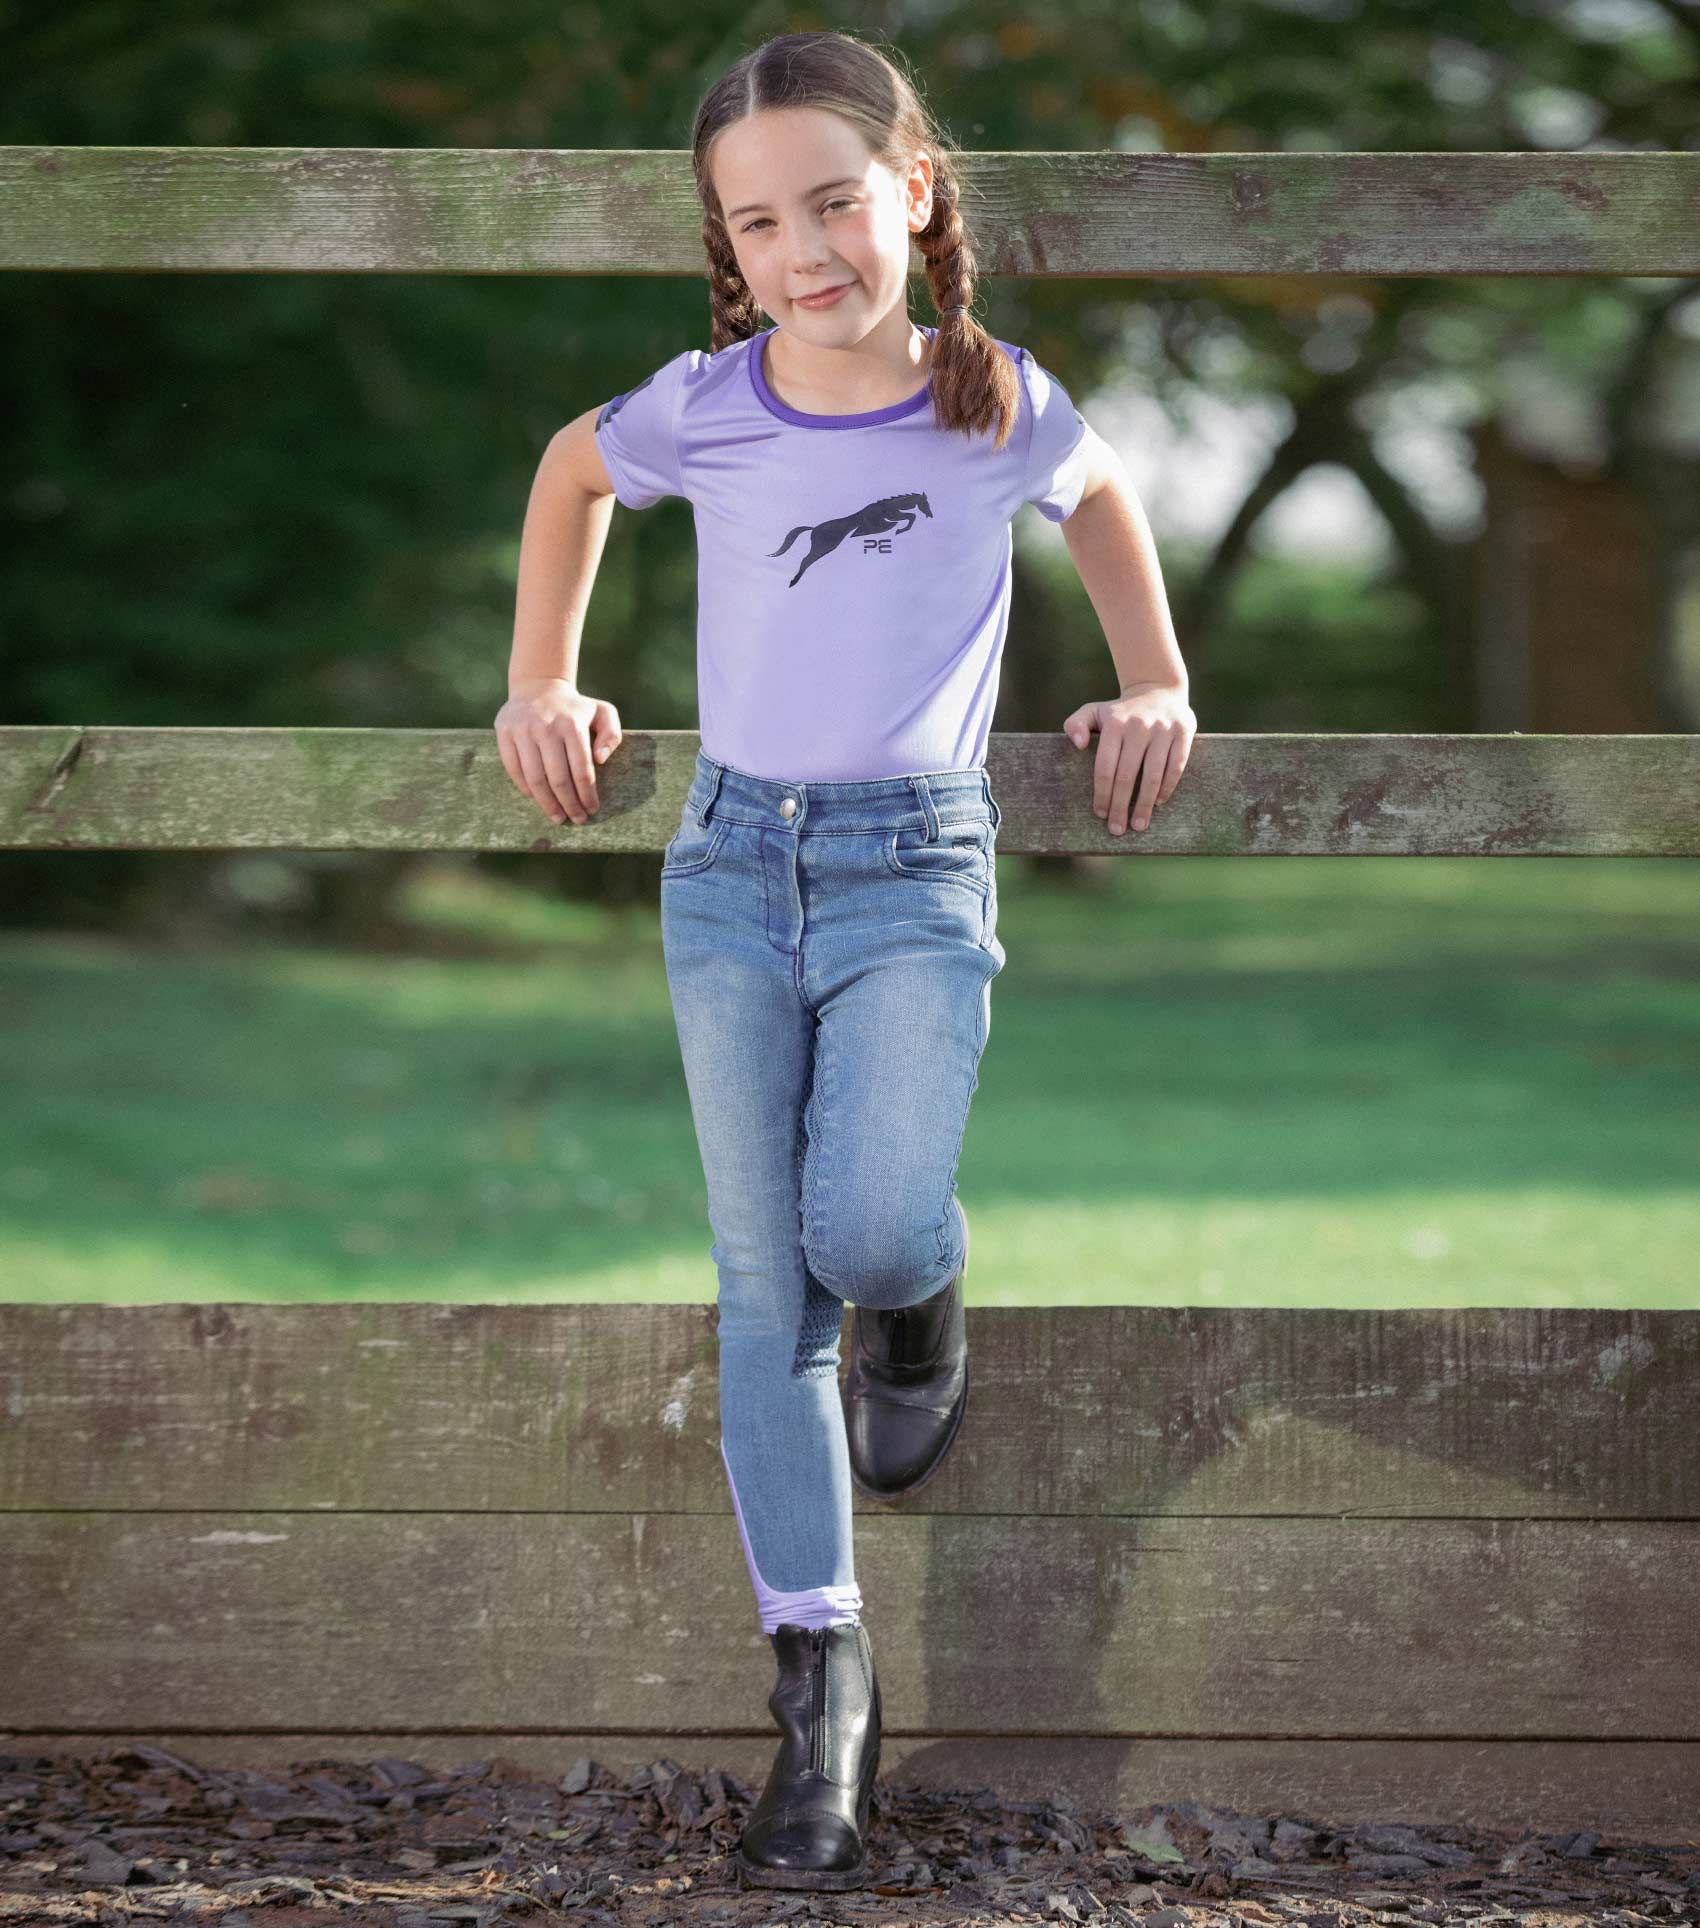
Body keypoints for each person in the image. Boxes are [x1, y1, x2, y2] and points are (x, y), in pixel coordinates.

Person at [495, 28, 1197, 1895]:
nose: (808, 250)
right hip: (730, 863)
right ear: (727, 248)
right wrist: (540, 679)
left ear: (917, 196)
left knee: (870, 1225)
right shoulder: (703, 405)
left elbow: (1109, 499)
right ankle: (822, 1688)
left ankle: (927, 1293)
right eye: (761, 222)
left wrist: (1156, 678)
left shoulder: (996, 402)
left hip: (911, 871)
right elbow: (571, 475)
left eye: (836, 202)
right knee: (759, 1279)